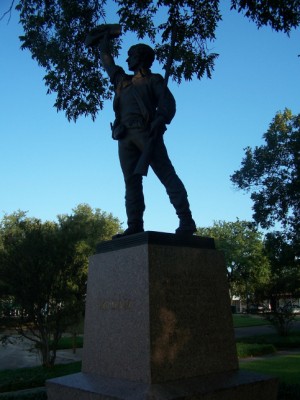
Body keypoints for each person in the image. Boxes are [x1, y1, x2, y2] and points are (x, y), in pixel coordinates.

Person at [98, 35, 196, 238]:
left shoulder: (153, 80)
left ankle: (186, 220)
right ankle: (134, 224)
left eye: (131, 55)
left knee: (167, 175)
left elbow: (168, 103)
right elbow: (108, 63)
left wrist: (161, 118)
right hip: (124, 136)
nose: (127, 60)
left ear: (141, 57)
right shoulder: (122, 82)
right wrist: (102, 44)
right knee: (131, 182)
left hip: (146, 133)